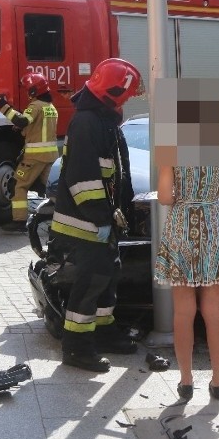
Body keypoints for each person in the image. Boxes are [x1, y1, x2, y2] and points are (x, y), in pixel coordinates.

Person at [49, 58, 144, 372]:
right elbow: (83, 180)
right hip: (85, 225)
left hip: (99, 221)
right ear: (113, 92)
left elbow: (111, 174)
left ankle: (102, 332)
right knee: (89, 284)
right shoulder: (87, 123)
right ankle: (76, 348)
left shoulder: (101, 119)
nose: (127, 101)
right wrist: (101, 219)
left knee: (106, 278)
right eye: (126, 96)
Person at [155, 163, 219, 401]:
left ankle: (186, 381)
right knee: (214, 310)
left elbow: (163, 196)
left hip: (181, 227)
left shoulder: (173, 144)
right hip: (212, 225)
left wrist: (185, 195)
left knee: (183, 312)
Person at [0, 73, 59, 233]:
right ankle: (62, 221)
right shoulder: (51, 108)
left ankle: (19, 221)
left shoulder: (35, 106)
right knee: (53, 189)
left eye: (29, 89)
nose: (27, 92)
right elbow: (39, 128)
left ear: (35, 91)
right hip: (50, 156)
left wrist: (3, 105)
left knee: (18, 186)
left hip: (34, 157)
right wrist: (24, 129)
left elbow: (22, 120)